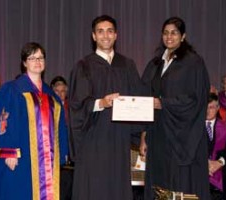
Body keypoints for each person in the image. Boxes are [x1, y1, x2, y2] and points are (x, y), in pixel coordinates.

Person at [0, 42, 68, 200]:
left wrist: (62, 152)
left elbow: (59, 126)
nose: (37, 61)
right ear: (24, 63)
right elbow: (3, 121)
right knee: (20, 192)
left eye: (40, 58)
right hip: (20, 156)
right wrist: (9, 152)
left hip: (46, 160)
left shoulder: (51, 95)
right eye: (32, 58)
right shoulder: (12, 90)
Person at [69, 15, 143, 200]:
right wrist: (101, 103)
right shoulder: (84, 66)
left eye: (110, 31)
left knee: (117, 189)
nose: (105, 36)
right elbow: (77, 104)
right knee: (94, 189)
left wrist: (143, 133)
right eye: (100, 31)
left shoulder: (127, 65)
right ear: (93, 36)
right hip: (94, 139)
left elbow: (138, 100)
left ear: (116, 35)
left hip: (119, 141)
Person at [140, 16, 210, 199]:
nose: (169, 37)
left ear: (183, 36)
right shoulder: (156, 64)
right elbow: (144, 95)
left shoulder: (193, 62)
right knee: (159, 184)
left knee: (181, 186)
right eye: (165, 33)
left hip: (183, 137)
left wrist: (164, 103)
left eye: (174, 33)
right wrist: (144, 134)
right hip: (158, 135)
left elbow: (195, 99)